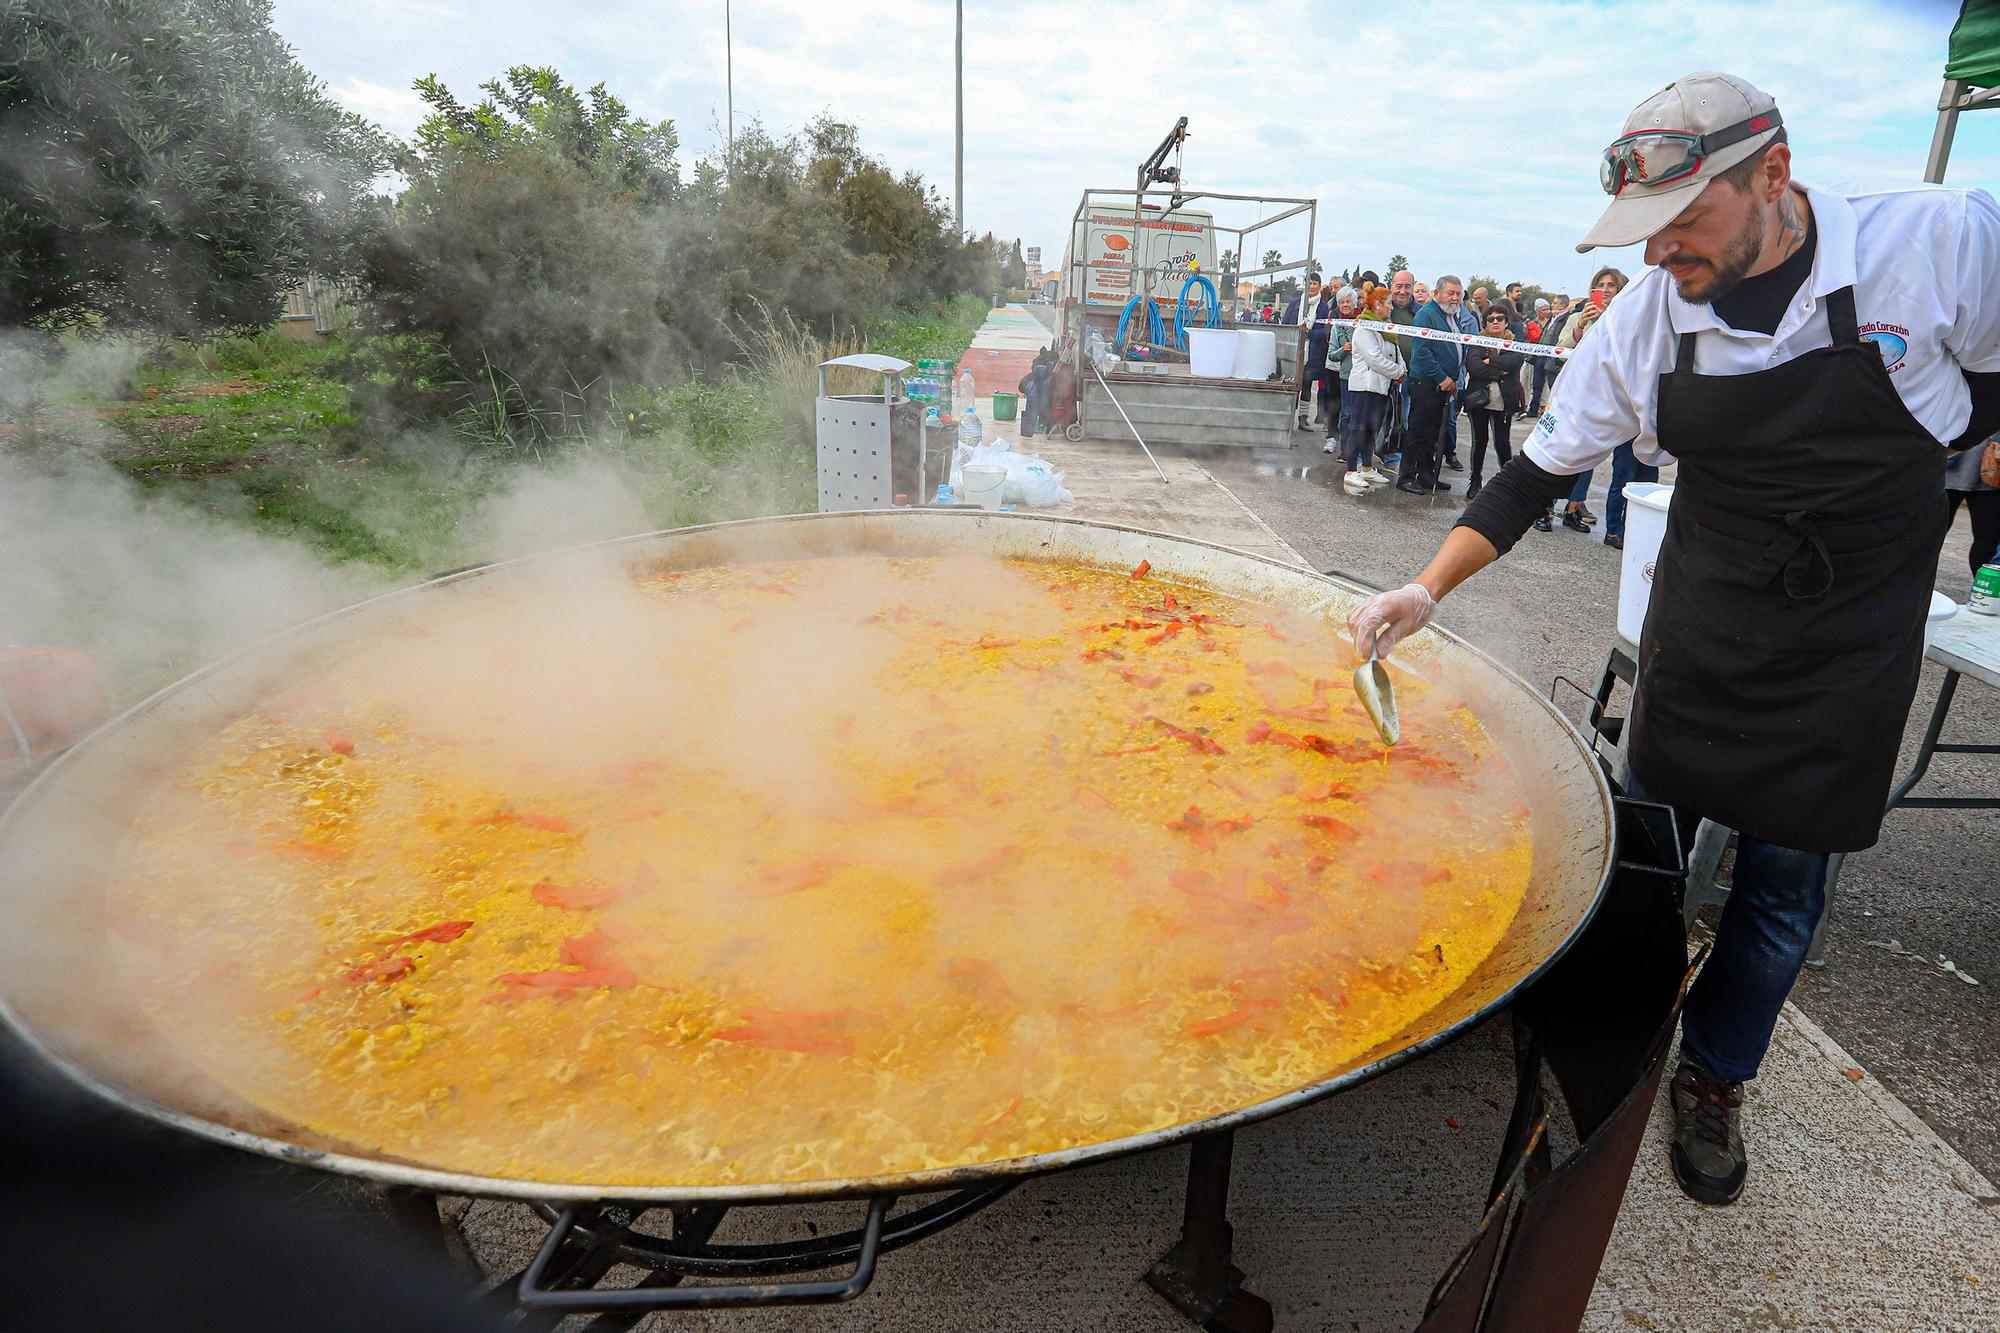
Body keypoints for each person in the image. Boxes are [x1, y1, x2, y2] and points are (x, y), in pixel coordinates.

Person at [1347, 72, 2000, 1209]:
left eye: (1682, 223)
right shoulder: (1644, 322)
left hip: (1854, 628)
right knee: (1639, 843)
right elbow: (1534, 474)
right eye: (1641, 234)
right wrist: (1422, 589)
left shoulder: (1936, 241)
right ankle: (1600, 1035)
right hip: (1706, 615)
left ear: (1772, 178)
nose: (1658, 256)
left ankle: (1716, 1070)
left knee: (1785, 883)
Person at [1547, 264, 1629, 532]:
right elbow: (1560, 348)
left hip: (1603, 396)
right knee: (1558, 449)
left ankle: (1574, 507)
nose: (1604, 291)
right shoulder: (1577, 316)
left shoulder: (1625, 318)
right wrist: (1581, 325)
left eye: (1611, 286)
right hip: (1572, 393)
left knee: (1588, 455)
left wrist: (1608, 320)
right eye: (1600, 286)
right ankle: (1544, 507)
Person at [1397, 275, 1466, 495]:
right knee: (1418, 431)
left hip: (1444, 385)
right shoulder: (1426, 315)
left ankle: (1426, 475)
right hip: (1426, 383)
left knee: (1433, 433)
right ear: (1437, 294)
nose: (1455, 297)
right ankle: (1406, 476)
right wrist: (1442, 378)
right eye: (1450, 293)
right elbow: (1423, 352)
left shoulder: (1452, 316)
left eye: (1458, 293)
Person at [1342, 284, 1405, 493]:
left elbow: (1397, 354)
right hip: (1365, 387)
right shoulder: (1364, 329)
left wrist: (1402, 371)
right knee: (1358, 429)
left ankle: (1367, 467)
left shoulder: (1387, 330)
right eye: (1389, 304)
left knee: (1372, 429)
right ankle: (1351, 470)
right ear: (1378, 305)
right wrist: (1397, 373)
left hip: (1382, 387)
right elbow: (1375, 359)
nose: (1392, 309)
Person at [1463, 306, 1525, 497]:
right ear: (1485, 323)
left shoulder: (1514, 342)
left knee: (1502, 443)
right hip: (1479, 401)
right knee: (1479, 442)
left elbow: (1514, 362)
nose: (1495, 322)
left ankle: (1508, 483)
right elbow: (1474, 367)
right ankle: (1475, 480)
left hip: (1504, 402)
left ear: (1506, 322)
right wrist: (1499, 369)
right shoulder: (1477, 341)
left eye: (1499, 318)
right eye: (1490, 319)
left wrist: (1489, 359)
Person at [1946, 434, 2000, 574]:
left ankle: (1983, 588)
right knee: (1927, 535)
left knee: (1988, 541)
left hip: (1990, 476)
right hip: (1946, 474)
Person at [1283, 273, 1328, 428]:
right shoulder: (1295, 304)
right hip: (1293, 351)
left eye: (1315, 283)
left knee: (1307, 385)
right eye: (1310, 283)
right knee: (1291, 385)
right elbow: (1285, 325)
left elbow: (1325, 332)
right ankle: (1288, 417)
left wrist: (1309, 333)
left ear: (1320, 286)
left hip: (1313, 353)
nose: (1312, 286)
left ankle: (1303, 418)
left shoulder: (1323, 306)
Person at [1323, 286, 1359, 455]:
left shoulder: (1363, 322)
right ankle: (1342, 447)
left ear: (1354, 303)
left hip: (1359, 375)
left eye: (1348, 301)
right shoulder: (1336, 323)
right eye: (1342, 302)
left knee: (1358, 414)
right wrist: (1344, 349)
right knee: (1342, 410)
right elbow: (1332, 353)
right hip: (1340, 373)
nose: (1345, 304)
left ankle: (1357, 449)